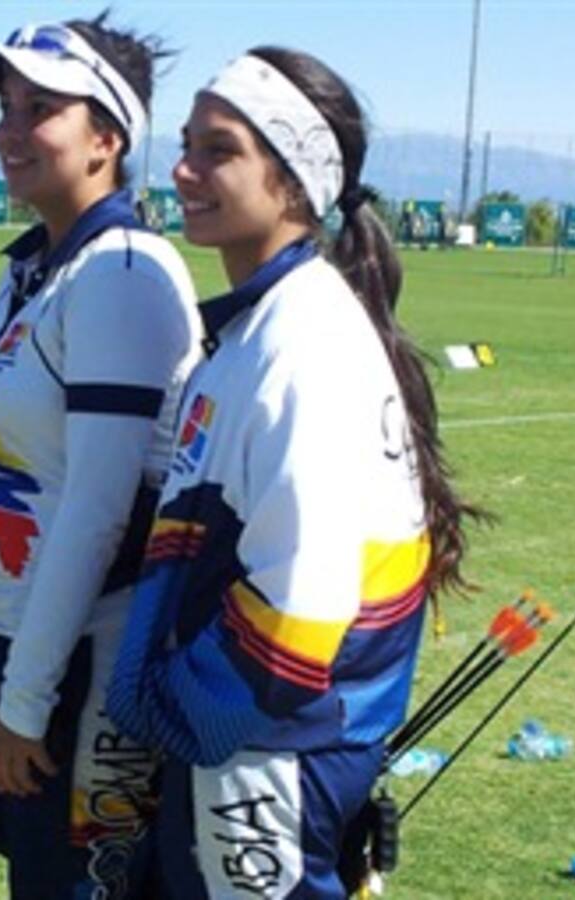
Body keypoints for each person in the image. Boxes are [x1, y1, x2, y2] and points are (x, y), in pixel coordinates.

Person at [107, 48, 484, 898]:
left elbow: (303, 603)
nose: (182, 168)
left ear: (293, 179)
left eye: (219, 149)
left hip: (268, 749)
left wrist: (186, 707)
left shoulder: (300, 343)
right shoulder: (265, 326)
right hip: (264, 743)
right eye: (188, 143)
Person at [0, 13, 203, 898]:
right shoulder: (37, 266)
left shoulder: (120, 272)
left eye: (41, 107)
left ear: (107, 136)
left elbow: (99, 509)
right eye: (6, 105)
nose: (11, 128)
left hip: (84, 659)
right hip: (22, 636)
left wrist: (25, 703)